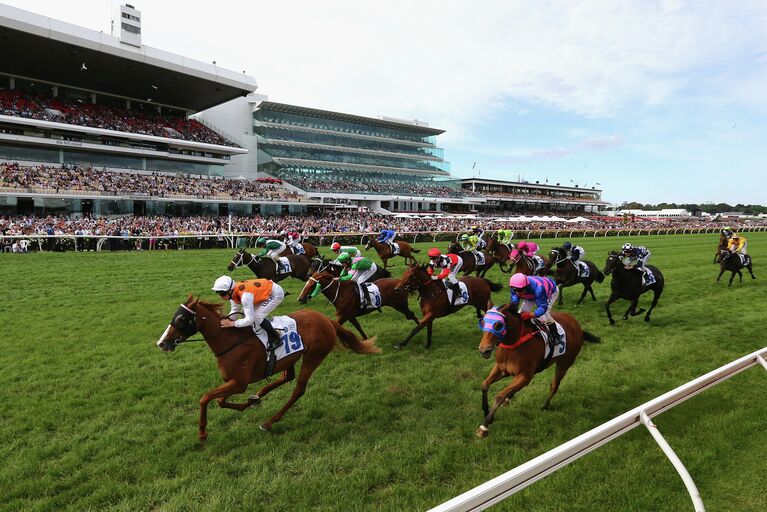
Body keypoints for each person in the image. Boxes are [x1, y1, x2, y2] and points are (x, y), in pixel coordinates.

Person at [211, 275, 285, 351]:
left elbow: (250, 319)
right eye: (218, 293)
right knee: (245, 312)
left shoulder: (245, 297)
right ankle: (256, 332)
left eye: (222, 294)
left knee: (257, 316)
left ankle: (276, 338)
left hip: (275, 293)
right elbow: (235, 311)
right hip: (262, 292)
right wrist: (226, 321)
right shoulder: (233, 292)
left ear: (230, 291)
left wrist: (232, 323)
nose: (221, 297)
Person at [508, 273, 561, 348]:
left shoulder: (538, 288)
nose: (518, 293)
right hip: (530, 294)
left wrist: (531, 315)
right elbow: (514, 302)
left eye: (520, 290)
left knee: (544, 315)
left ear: (526, 286)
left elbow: (542, 308)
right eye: (515, 290)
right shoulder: (516, 287)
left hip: (550, 291)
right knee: (521, 313)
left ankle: (555, 335)